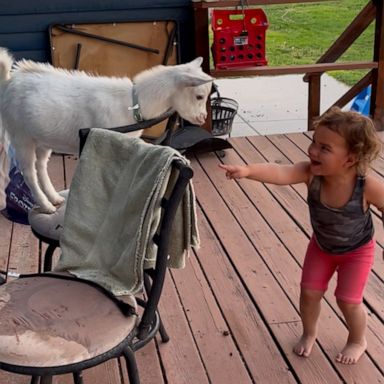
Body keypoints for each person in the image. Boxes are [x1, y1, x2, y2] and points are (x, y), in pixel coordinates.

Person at [219, 107, 384, 365]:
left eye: (324, 148)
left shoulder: (366, 186)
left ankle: (357, 339)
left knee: (347, 301)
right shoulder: (310, 173)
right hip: (321, 247)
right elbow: (281, 172)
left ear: (350, 159)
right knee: (308, 293)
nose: (313, 151)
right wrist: (248, 171)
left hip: (357, 252)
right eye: (313, 143)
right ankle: (309, 333)